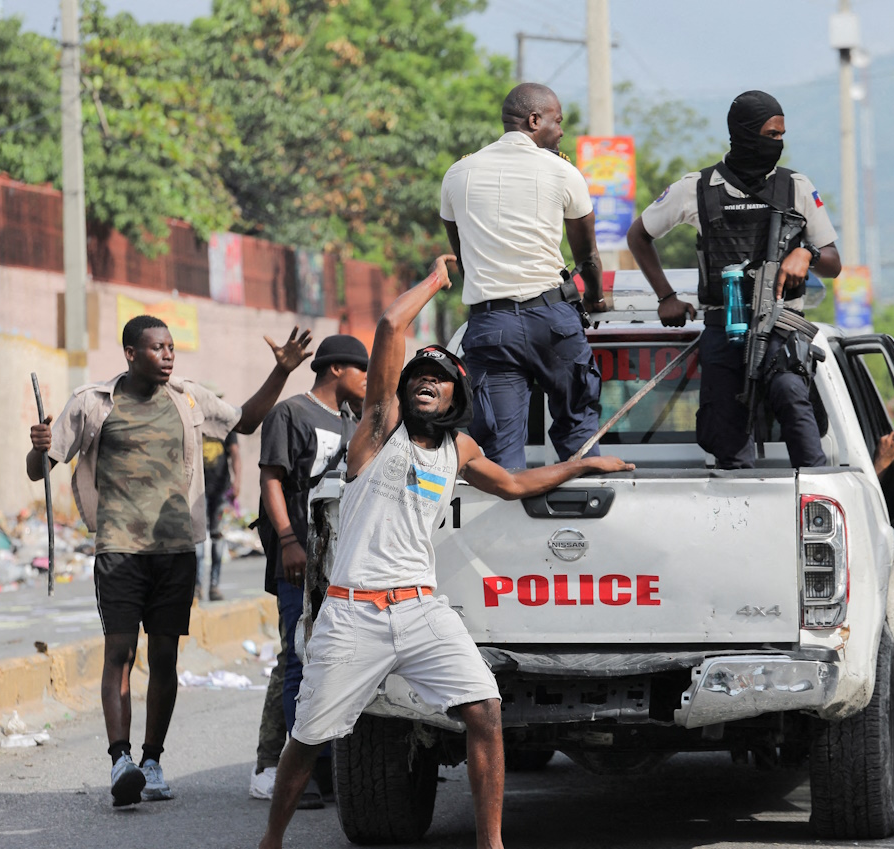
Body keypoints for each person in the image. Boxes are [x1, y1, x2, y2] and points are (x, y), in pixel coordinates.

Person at [258, 256, 633, 849]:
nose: (426, 381)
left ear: (457, 393)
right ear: (403, 393)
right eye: (417, 378)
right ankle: (271, 841)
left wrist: (581, 464)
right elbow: (388, 328)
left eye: (439, 378)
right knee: (307, 737)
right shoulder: (380, 430)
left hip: (421, 610)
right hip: (354, 612)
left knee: (484, 709)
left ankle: (491, 843)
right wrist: (436, 280)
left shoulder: (457, 450)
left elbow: (513, 485)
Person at [26, 316, 312, 807]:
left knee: (164, 657)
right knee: (120, 652)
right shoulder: (93, 402)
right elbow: (39, 472)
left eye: (171, 346)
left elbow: (244, 420)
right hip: (119, 548)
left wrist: (281, 371)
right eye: (156, 347)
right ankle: (120, 760)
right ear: (130, 353)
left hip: (176, 548)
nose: (167, 355)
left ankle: (151, 761)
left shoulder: (189, 398)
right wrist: (39, 448)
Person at [627, 90, 842, 469]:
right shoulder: (696, 188)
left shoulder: (797, 187)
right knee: (725, 432)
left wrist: (805, 252)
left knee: (791, 392)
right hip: (723, 325)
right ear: (743, 133)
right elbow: (638, 235)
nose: (778, 143)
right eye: (771, 134)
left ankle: (814, 484)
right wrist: (666, 297)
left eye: (780, 135)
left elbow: (833, 262)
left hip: (781, 325)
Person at [441, 82, 607, 470]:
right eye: (558, 121)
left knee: (499, 448)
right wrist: (596, 298)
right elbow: (588, 256)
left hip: (490, 326)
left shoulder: (458, 174)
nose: (562, 131)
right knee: (578, 427)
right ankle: (589, 516)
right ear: (534, 120)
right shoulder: (562, 171)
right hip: (553, 322)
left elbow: (464, 256)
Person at [254, 334, 369, 807]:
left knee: (341, 660)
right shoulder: (291, 413)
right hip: (299, 560)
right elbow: (271, 478)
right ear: (337, 369)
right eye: (363, 370)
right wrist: (288, 541)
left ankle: (337, 768)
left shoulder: (350, 421)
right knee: (301, 660)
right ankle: (300, 775)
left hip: (342, 563)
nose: (368, 379)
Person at [197, 388, 240, 601]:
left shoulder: (226, 425)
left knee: (218, 537)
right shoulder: (194, 424)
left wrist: (237, 482)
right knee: (197, 540)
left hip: (220, 490)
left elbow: (235, 455)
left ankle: (214, 585)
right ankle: (196, 586)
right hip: (197, 491)